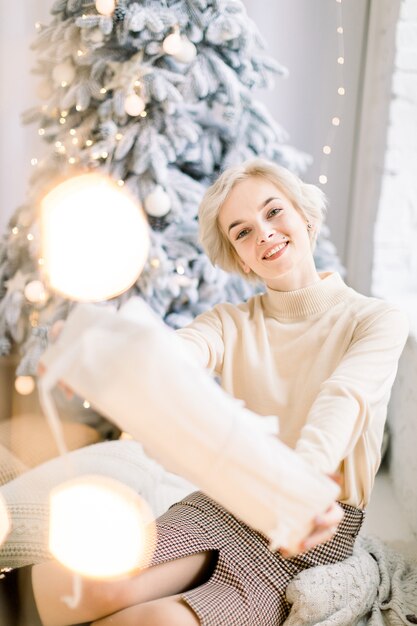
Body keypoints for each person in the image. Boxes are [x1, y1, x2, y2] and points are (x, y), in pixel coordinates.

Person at [30, 158, 408, 626]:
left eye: (273, 212)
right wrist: (96, 354)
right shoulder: (230, 323)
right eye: (242, 232)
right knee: (70, 586)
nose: (264, 234)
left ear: (304, 215)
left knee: (154, 622)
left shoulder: (375, 319)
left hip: (310, 529)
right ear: (239, 257)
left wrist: (296, 493)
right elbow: (169, 357)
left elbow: (343, 398)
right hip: (226, 501)